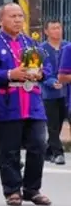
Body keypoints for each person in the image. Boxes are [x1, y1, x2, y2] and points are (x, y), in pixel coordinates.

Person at [0, 4, 51, 206]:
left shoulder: (31, 43)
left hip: (32, 101)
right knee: (9, 149)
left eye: (20, 16)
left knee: (38, 144)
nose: (18, 20)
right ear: (1, 20)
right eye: (13, 16)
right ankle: (12, 190)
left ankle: (32, 189)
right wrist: (9, 74)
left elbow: (47, 69)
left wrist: (41, 73)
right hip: (7, 101)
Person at [40, 20, 68, 164]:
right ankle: (58, 153)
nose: (57, 31)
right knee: (52, 123)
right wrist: (51, 82)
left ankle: (47, 151)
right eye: (53, 28)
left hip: (66, 92)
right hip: (49, 93)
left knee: (60, 121)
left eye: (59, 28)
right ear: (46, 31)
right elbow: (41, 71)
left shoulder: (67, 47)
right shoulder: (41, 50)